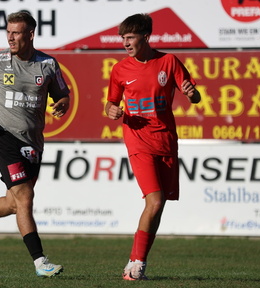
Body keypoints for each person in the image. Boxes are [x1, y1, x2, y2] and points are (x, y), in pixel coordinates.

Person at [0, 11, 70, 278]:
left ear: (30, 34)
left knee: (14, 203)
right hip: (3, 137)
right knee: (25, 197)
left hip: (33, 142)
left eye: (16, 32)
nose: (10, 37)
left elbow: (63, 95)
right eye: (8, 32)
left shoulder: (48, 64)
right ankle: (40, 261)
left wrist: (62, 104)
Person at [105, 13, 201, 281]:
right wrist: (112, 110)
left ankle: (139, 263)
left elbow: (194, 94)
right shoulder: (120, 69)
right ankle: (134, 265)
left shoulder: (168, 61)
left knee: (158, 206)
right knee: (155, 200)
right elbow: (110, 103)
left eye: (130, 37)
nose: (125, 43)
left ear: (145, 37)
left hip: (166, 141)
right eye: (123, 38)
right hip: (138, 142)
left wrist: (193, 94)